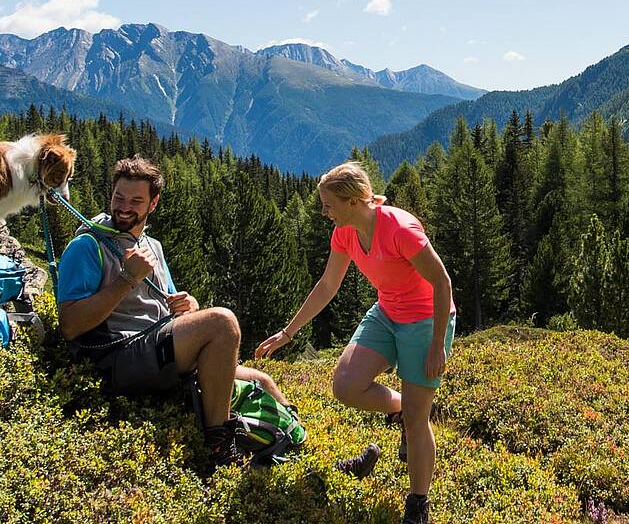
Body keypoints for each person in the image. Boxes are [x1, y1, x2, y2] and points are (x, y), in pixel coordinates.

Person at [55, 156, 291, 467]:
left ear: (153, 204)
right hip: (115, 355)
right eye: (118, 197)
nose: (124, 207)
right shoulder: (87, 246)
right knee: (222, 322)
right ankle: (218, 446)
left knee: (263, 381)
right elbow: (70, 325)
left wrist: (189, 307)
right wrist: (127, 278)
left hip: (154, 347)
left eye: (136, 200)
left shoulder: (153, 246)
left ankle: (300, 444)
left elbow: (168, 303)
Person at [256, 161, 455, 524]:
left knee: (417, 419)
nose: (323, 212)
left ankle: (418, 503)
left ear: (352, 201)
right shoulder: (345, 233)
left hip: (425, 321)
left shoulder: (400, 228)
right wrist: (288, 332)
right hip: (387, 312)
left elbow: (442, 283)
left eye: (328, 205)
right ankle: (401, 408)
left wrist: (437, 345)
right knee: (346, 385)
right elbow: (328, 286)